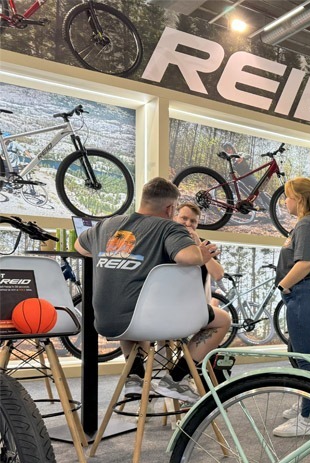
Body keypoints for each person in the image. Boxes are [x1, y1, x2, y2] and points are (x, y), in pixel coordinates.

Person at [75, 177, 222, 404]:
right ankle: (177, 379)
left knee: (128, 300)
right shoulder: (168, 227)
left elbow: (79, 246)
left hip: (106, 323)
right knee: (223, 320)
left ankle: (134, 375)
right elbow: (186, 257)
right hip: (150, 322)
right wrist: (201, 254)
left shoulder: (106, 225)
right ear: (170, 208)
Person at [270, 177, 310, 437]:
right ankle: (306, 399)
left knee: (305, 359)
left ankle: (308, 419)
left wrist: (283, 286)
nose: (285, 202)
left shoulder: (306, 224)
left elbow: (304, 263)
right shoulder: (305, 224)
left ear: (300, 199)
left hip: (305, 292)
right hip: (302, 293)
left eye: (288, 197)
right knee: (297, 353)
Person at [172, 200, 233, 392]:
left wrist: (199, 246)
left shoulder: (204, 245)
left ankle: (179, 375)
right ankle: (174, 378)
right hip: (170, 310)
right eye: (184, 218)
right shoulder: (166, 239)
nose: (188, 224)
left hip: (192, 311)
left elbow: (218, 274)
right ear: (175, 216)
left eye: (193, 221)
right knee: (224, 320)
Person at [221, 141, 260, 213]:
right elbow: (231, 172)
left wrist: (242, 158)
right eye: (227, 150)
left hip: (249, 175)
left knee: (258, 189)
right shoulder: (231, 161)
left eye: (229, 148)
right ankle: (249, 204)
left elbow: (248, 155)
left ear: (232, 148)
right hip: (242, 178)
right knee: (242, 190)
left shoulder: (239, 154)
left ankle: (269, 203)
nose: (228, 150)